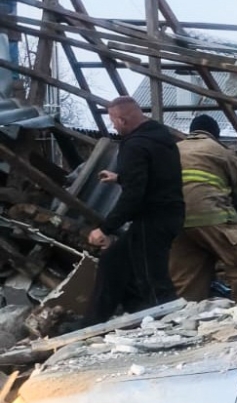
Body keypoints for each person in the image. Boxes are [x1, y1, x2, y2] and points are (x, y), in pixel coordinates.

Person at [84, 96, 184, 326]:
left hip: (152, 220)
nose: (113, 126)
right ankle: (91, 324)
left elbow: (134, 196)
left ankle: (171, 326)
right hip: (169, 215)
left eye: (113, 121)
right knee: (113, 260)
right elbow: (155, 177)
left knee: (153, 280)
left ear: (122, 119)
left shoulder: (134, 145)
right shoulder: (160, 137)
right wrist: (120, 177)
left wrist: (105, 228)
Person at [169, 115, 237, 304]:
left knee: (187, 278)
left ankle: (186, 321)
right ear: (216, 134)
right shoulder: (219, 150)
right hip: (210, 214)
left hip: (174, 221)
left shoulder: (173, 150)